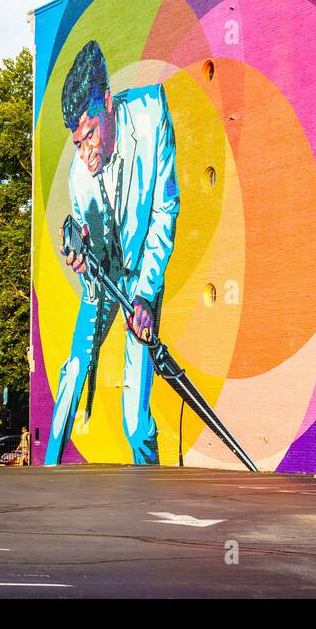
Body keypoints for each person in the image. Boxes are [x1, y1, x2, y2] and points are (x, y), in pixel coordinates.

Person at [45, 40, 180, 465]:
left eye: (90, 134)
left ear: (108, 102)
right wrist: (84, 265)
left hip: (144, 274)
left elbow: (164, 208)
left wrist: (143, 294)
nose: (86, 153)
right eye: (77, 142)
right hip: (106, 281)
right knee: (72, 374)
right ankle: (46, 469)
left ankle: (152, 489)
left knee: (134, 419)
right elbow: (95, 258)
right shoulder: (78, 177)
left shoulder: (153, 113)